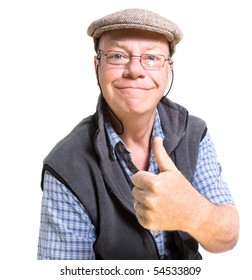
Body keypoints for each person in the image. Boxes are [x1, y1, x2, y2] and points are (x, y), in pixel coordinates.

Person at [37, 8, 239, 260]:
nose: (135, 70)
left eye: (152, 58)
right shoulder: (66, 165)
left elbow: (227, 237)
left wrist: (192, 213)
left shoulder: (194, 134)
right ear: (96, 65)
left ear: (169, 70)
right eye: (118, 56)